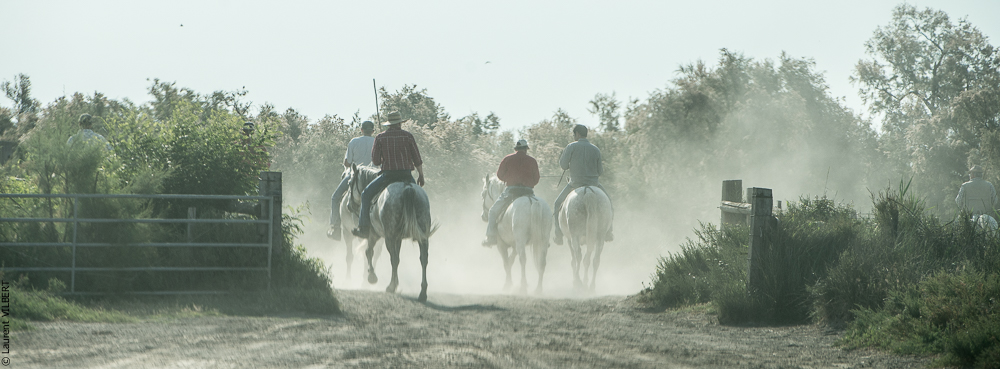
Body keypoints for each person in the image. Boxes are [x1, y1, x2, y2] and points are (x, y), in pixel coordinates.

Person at [351, 111, 425, 238]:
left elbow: (375, 161)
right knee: (420, 199)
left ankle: (363, 228)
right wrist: (421, 175)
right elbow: (417, 159)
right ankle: (422, 227)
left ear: (389, 125)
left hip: (388, 177)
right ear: (400, 124)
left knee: (366, 194)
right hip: (406, 175)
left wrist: (384, 159)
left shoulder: (380, 137)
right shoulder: (408, 136)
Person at [552, 124, 612, 245]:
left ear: (578, 134)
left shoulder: (571, 147)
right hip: (594, 184)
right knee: (609, 203)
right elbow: (600, 171)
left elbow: (563, 165)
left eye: (574, 135)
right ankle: (609, 231)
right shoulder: (595, 149)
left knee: (557, 203)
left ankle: (558, 234)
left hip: (575, 184)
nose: (574, 137)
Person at [482, 139, 540, 246]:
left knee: (493, 212)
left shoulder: (507, 159)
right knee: (540, 210)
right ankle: (542, 237)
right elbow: (536, 179)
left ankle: (490, 237)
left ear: (516, 149)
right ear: (526, 149)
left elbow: (499, 175)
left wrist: (508, 178)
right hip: (528, 192)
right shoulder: (532, 161)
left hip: (511, 191)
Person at [327, 120, 376, 240]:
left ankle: (336, 228)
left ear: (362, 130)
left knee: (335, 197)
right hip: (373, 178)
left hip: (355, 176)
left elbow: (347, 163)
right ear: (373, 131)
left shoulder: (354, 141)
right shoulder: (377, 141)